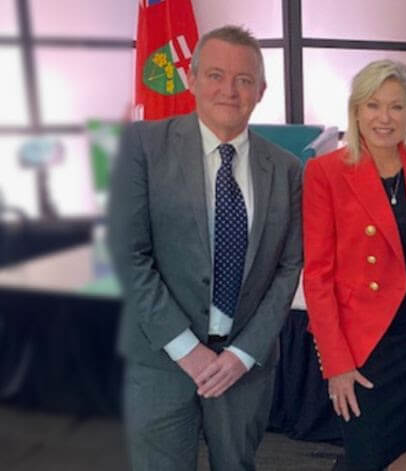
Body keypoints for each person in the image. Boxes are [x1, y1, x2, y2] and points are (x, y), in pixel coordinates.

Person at [108, 25, 303, 471]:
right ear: (191, 79)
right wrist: (186, 349)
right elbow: (128, 255)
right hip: (160, 359)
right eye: (215, 75)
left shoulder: (288, 169)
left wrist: (243, 353)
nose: (229, 91)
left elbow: (289, 268)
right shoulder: (141, 145)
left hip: (244, 368)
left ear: (261, 90)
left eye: (244, 79)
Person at [302, 59, 406, 471]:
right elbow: (318, 275)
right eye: (373, 105)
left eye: (396, 106)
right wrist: (336, 362)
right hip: (364, 346)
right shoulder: (326, 172)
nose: (384, 118)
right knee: (367, 454)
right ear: (356, 111)